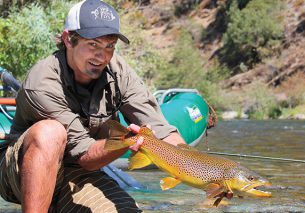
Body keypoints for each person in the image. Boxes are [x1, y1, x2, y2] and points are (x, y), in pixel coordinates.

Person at [0, 0, 185, 212]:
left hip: (77, 171)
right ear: (68, 39)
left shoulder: (118, 71)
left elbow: (161, 131)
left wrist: (205, 174)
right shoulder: (42, 83)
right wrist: (127, 141)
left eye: (110, 46)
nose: (102, 56)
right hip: (19, 172)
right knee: (49, 133)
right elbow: (86, 156)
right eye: (93, 45)